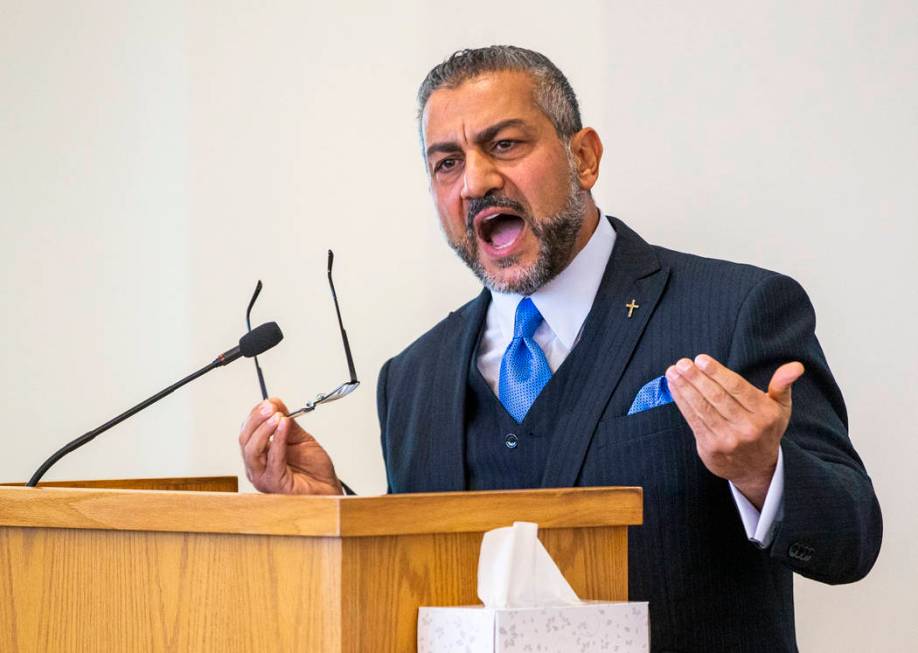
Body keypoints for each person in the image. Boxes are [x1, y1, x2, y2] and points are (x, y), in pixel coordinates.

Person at [237, 46, 882, 650]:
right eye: (447, 163)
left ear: (585, 157)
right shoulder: (411, 377)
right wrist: (337, 515)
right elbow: (425, 587)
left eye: (505, 144)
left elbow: (851, 539)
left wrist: (761, 472)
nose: (475, 182)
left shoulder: (737, 309)